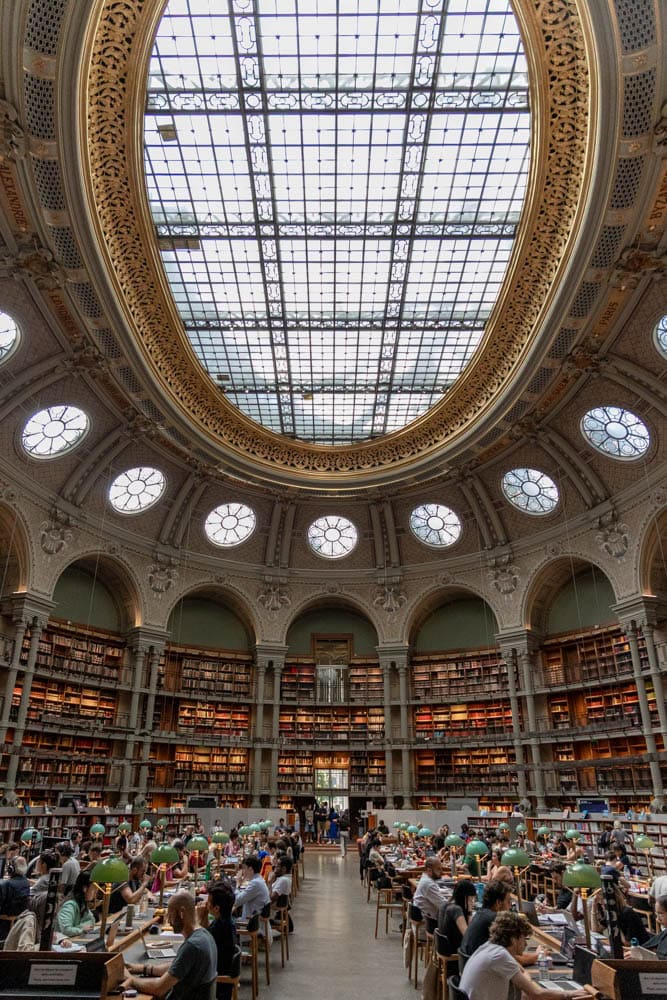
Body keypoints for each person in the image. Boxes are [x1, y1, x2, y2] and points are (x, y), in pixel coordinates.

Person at [460, 910, 589, 1000]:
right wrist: (570, 994)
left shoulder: (489, 946)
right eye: (524, 938)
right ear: (513, 939)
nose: (526, 944)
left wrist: (526, 979)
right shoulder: (500, 956)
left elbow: (520, 969)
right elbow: (536, 994)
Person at [123, 889, 217, 998]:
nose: (169, 920)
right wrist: (142, 968)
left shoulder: (192, 946)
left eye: (170, 914)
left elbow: (158, 988)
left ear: (181, 913)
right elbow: (176, 967)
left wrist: (130, 979)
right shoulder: (205, 935)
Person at [198, 879, 238, 1000]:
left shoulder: (220, 927)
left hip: (215, 983)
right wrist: (204, 916)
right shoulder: (225, 920)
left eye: (209, 901)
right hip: (218, 971)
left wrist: (199, 918)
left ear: (216, 908)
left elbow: (197, 942)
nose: (206, 904)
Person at [461, 878, 512, 956]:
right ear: (498, 903)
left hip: (466, 963)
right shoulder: (494, 919)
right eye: (508, 901)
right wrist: (536, 956)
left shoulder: (480, 913)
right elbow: (511, 956)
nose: (510, 906)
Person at [437, 878, 477, 953]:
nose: (472, 901)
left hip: (443, 947)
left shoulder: (445, 904)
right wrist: (470, 911)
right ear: (465, 897)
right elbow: (467, 936)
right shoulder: (456, 910)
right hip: (455, 950)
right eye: (471, 898)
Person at [55, 871, 97, 938]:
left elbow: (92, 921)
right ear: (85, 889)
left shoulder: (82, 902)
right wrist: (82, 929)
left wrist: (78, 927)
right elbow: (66, 930)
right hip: (61, 942)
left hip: (71, 939)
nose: (95, 893)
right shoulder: (69, 905)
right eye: (94, 889)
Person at [0, 856, 31, 941]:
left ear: (11, 869)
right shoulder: (26, 882)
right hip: (19, 918)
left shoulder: (6, 885)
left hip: (4, 921)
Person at [412, 856, 450, 924]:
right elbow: (443, 905)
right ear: (429, 870)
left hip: (421, 913)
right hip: (429, 919)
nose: (441, 871)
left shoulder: (426, 878)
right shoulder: (429, 884)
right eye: (438, 869)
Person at [233, 856, 270, 920]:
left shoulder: (255, 883)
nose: (242, 871)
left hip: (251, 922)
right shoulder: (258, 879)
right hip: (253, 917)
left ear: (250, 869)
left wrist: (238, 884)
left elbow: (237, 901)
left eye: (244, 868)